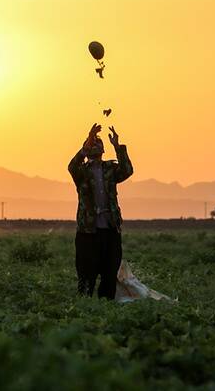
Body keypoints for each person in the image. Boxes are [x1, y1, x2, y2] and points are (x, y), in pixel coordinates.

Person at [68, 123, 133, 299]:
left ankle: (106, 309)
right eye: (91, 148)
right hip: (88, 231)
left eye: (97, 148)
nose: (95, 153)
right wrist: (86, 143)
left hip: (110, 229)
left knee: (110, 273)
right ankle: (85, 309)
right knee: (86, 275)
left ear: (103, 151)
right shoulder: (81, 172)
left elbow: (127, 170)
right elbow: (71, 166)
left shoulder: (110, 170)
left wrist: (118, 147)